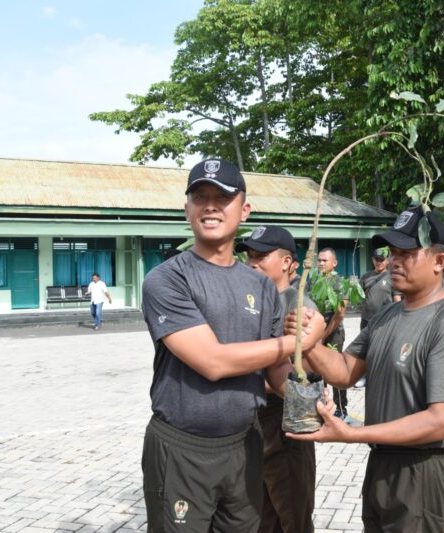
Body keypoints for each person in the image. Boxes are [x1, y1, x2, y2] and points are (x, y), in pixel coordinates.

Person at [140, 158, 325, 532]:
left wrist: (307, 379)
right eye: (200, 196)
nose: (210, 206)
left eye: (222, 198)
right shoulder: (167, 279)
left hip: (245, 445)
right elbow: (212, 362)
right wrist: (294, 341)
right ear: (187, 207)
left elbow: (274, 375)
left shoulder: (260, 287)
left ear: (244, 209)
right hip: (183, 449)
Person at [286, 207, 444, 533]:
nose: (393, 261)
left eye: (407, 253)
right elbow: (346, 370)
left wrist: (352, 434)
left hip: (425, 468)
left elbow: (442, 421)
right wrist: (310, 345)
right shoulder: (388, 315)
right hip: (383, 462)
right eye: (392, 253)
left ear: (439, 262)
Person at [240, 224, 319, 533]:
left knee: (293, 516)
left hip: (284, 422)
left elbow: (300, 375)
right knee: (261, 517)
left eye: (262, 256)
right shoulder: (253, 301)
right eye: (249, 256)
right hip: (253, 420)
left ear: (287, 262)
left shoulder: (297, 307)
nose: (253, 263)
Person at [308, 247, 350, 420]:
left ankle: (342, 409)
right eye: (319, 260)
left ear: (335, 263)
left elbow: (339, 314)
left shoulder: (340, 282)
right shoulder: (313, 280)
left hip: (333, 334)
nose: (321, 263)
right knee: (317, 371)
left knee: (335, 372)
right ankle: (321, 406)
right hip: (315, 334)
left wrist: (322, 335)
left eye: (325, 260)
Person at [360, 248, 395, 330]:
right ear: (373, 260)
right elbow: (359, 296)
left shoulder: (392, 277)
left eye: (381, 260)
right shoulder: (365, 277)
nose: (379, 262)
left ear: (387, 261)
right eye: (376, 259)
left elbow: (397, 299)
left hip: (385, 319)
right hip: (366, 319)